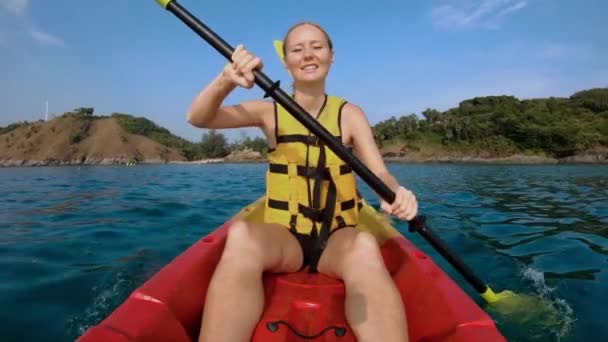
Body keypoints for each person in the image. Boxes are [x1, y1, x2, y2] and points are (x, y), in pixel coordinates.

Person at [187, 21, 418, 342]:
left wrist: (395, 193)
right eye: (297, 49)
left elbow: (380, 173)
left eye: (317, 46)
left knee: (365, 245)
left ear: (332, 56)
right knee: (240, 236)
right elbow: (198, 118)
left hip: (337, 239)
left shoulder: (350, 114)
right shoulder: (268, 112)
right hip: (285, 240)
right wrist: (226, 80)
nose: (308, 55)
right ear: (286, 60)